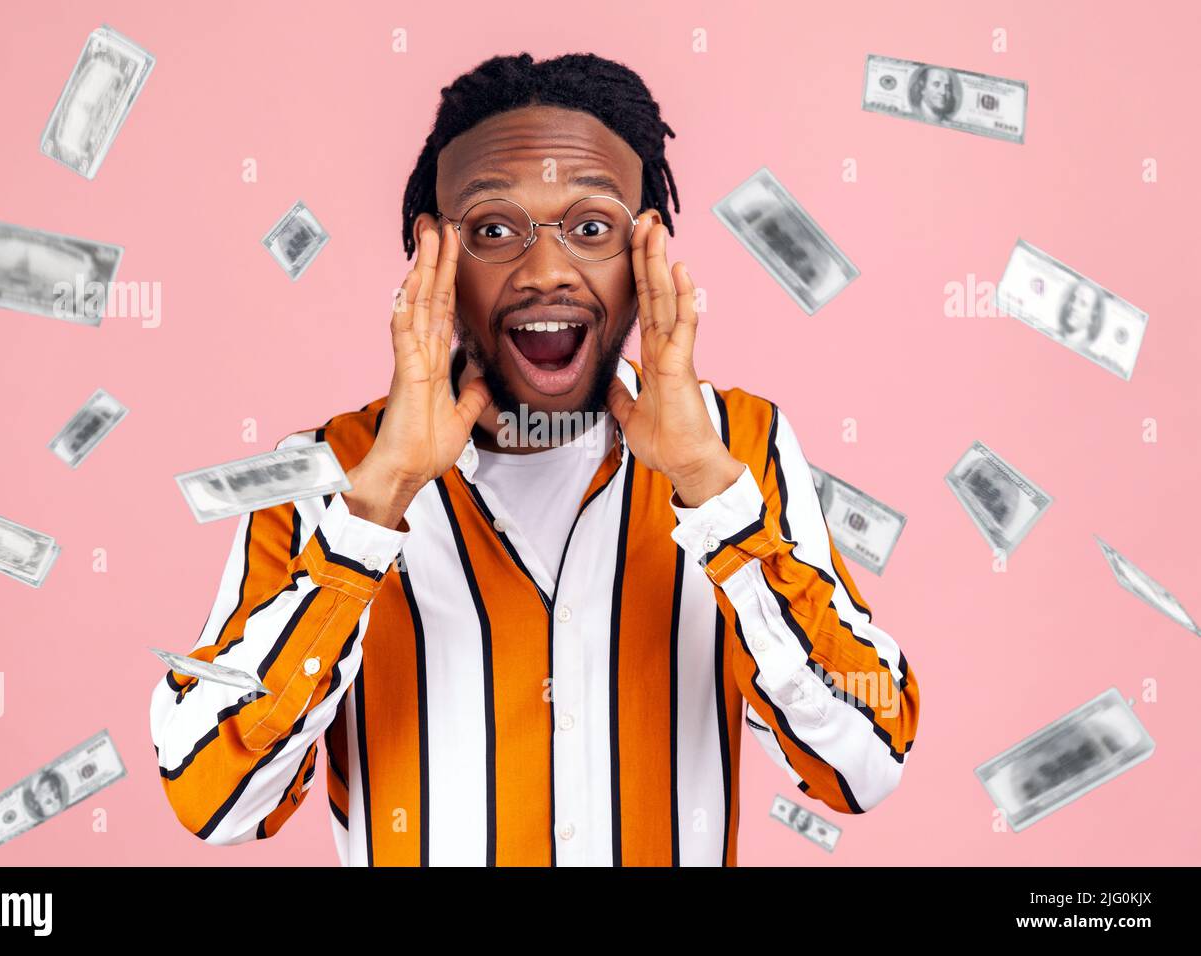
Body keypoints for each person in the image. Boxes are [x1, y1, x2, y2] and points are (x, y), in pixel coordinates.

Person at [149, 52, 919, 866]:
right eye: (493, 229)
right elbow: (211, 795)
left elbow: (864, 763)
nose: (546, 270)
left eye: (591, 228)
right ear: (432, 252)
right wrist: (375, 506)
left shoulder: (739, 450)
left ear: (646, 246)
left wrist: (710, 492)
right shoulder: (329, 473)